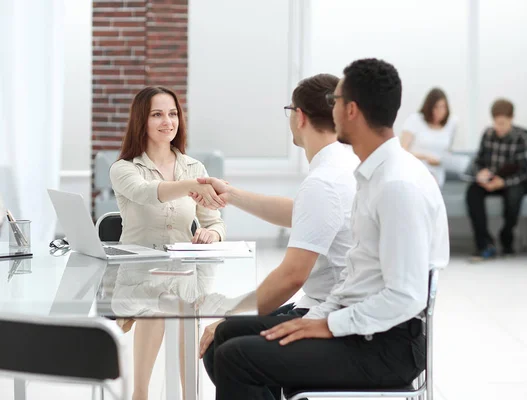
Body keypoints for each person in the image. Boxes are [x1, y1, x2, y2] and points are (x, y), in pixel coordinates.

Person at [208, 59, 449, 400]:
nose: (328, 108)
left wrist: (325, 325)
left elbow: (406, 296)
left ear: (350, 110)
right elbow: (354, 279)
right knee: (229, 337)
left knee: (237, 357)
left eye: (334, 100)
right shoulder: (371, 174)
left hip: (386, 345)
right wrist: (315, 318)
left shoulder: (397, 185)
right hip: (361, 326)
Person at [191, 74, 359, 398]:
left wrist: (228, 317)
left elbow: (291, 277)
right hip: (334, 305)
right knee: (228, 340)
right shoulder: (343, 165)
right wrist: (232, 195)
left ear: (300, 117)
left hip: (331, 314)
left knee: (224, 343)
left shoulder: (324, 181)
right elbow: (301, 214)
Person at [109, 86, 227, 400]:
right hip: (138, 274)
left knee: (181, 300)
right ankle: (141, 394)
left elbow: (214, 221)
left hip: (184, 271)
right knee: (159, 301)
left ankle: (190, 394)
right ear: (141, 121)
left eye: (173, 113)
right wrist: (193, 186)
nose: (168, 121)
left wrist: (211, 234)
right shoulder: (124, 169)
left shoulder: (194, 168)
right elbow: (148, 192)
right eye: (158, 114)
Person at [466, 98, 527, 261]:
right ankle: (484, 243)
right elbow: (478, 161)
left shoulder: (523, 137)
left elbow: (526, 171)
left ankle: (506, 237)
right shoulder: (488, 134)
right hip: (491, 180)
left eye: (503, 123)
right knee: (472, 192)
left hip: (514, 182)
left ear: (511, 118)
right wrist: (480, 174)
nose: (499, 127)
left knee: (513, 196)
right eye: (496, 123)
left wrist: (503, 182)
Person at [400, 87, 457, 186]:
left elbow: (447, 151)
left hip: (436, 171)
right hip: (415, 168)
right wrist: (425, 157)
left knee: (431, 184)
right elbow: (402, 150)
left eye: (443, 107)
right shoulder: (415, 120)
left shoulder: (451, 124)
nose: (439, 111)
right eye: (436, 107)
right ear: (429, 107)